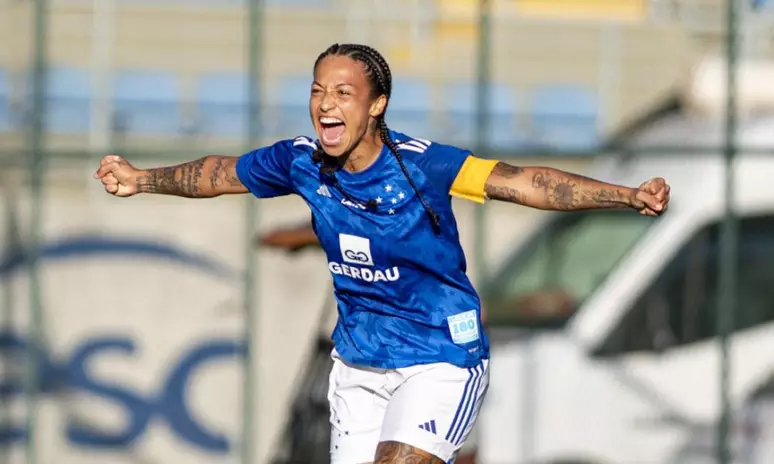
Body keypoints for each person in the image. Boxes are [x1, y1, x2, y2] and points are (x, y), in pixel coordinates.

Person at [93, 43, 670, 464]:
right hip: (358, 364)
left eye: (343, 92)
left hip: (440, 358)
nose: (326, 103)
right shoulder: (300, 161)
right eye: (318, 90)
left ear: (376, 106)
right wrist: (140, 179)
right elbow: (219, 174)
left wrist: (624, 196)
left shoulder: (425, 166)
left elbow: (526, 183)